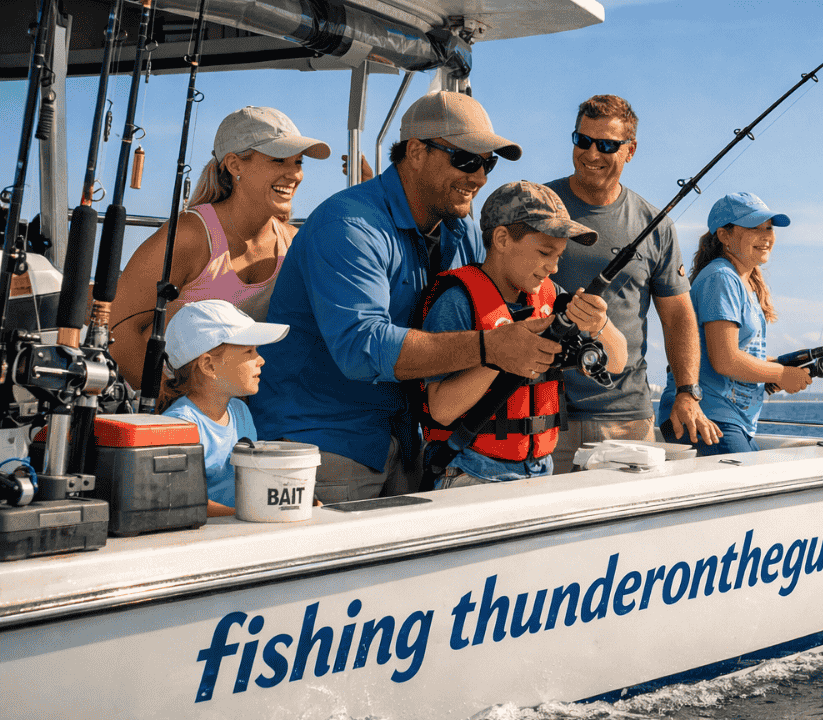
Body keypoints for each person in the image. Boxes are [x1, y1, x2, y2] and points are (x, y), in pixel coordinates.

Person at [249, 91, 562, 503]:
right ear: (416, 151)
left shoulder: (461, 229)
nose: (480, 177)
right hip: (326, 445)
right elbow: (362, 349)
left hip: (409, 443)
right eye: (466, 159)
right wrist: (493, 348)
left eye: (488, 163)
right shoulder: (347, 225)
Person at [545, 94, 721, 473]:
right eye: (582, 140)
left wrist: (688, 393)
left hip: (626, 416)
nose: (591, 153)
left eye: (607, 145)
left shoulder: (654, 224)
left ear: (631, 150)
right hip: (542, 413)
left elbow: (678, 318)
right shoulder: (541, 207)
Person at [418, 181, 626, 488]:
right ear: (502, 239)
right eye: (544, 252)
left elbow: (618, 363)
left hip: (541, 472)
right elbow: (442, 409)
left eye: (560, 256)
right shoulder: (457, 302)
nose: (553, 267)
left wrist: (599, 323)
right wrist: (500, 355)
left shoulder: (551, 297)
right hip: (469, 473)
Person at [112, 106, 330, 389]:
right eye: (278, 160)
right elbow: (118, 328)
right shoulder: (190, 235)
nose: (294, 175)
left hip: (235, 399)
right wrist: (165, 401)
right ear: (234, 164)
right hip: (163, 398)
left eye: (298, 163)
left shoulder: (293, 243)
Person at [657, 192, 813, 455]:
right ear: (724, 235)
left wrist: (772, 368)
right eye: (754, 227)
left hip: (729, 421)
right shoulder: (721, 278)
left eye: (768, 227)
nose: (766, 236)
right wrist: (781, 374)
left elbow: (729, 354)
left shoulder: (743, 283)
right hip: (707, 419)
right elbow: (725, 359)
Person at [159, 299, 290, 516]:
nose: (261, 360)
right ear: (209, 365)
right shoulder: (181, 425)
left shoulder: (240, 411)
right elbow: (181, 500)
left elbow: (253, 476)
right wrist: (251, 514)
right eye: (249, 352)